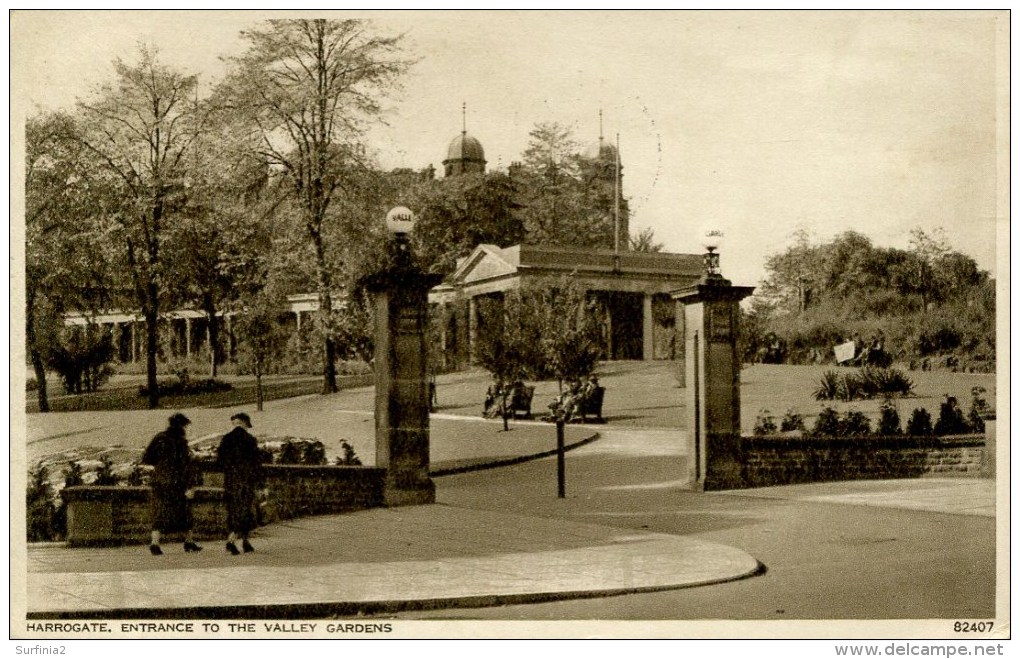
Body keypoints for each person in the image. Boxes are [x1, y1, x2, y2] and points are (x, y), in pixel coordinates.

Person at [141, 413, 201, 555]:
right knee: (185, 512)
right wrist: (190, 485)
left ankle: (155, 543)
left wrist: (160, 466)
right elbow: (185, 466)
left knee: (160, 511)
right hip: (177, 481)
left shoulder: (159, 437)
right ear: (183, 426)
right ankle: (189, 542)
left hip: (160, 480)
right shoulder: (180, 442)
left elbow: (147, 457)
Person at [216, 412, 265, 555]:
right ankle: (234, 541)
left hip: (231, 480)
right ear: (245, 423)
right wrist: (261, 484)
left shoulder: (226, 439)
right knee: (245, 510)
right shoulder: (249, 439)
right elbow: (256, 463)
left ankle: (244, 541)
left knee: (234, 510)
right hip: (246, 480)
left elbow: (220, 462)